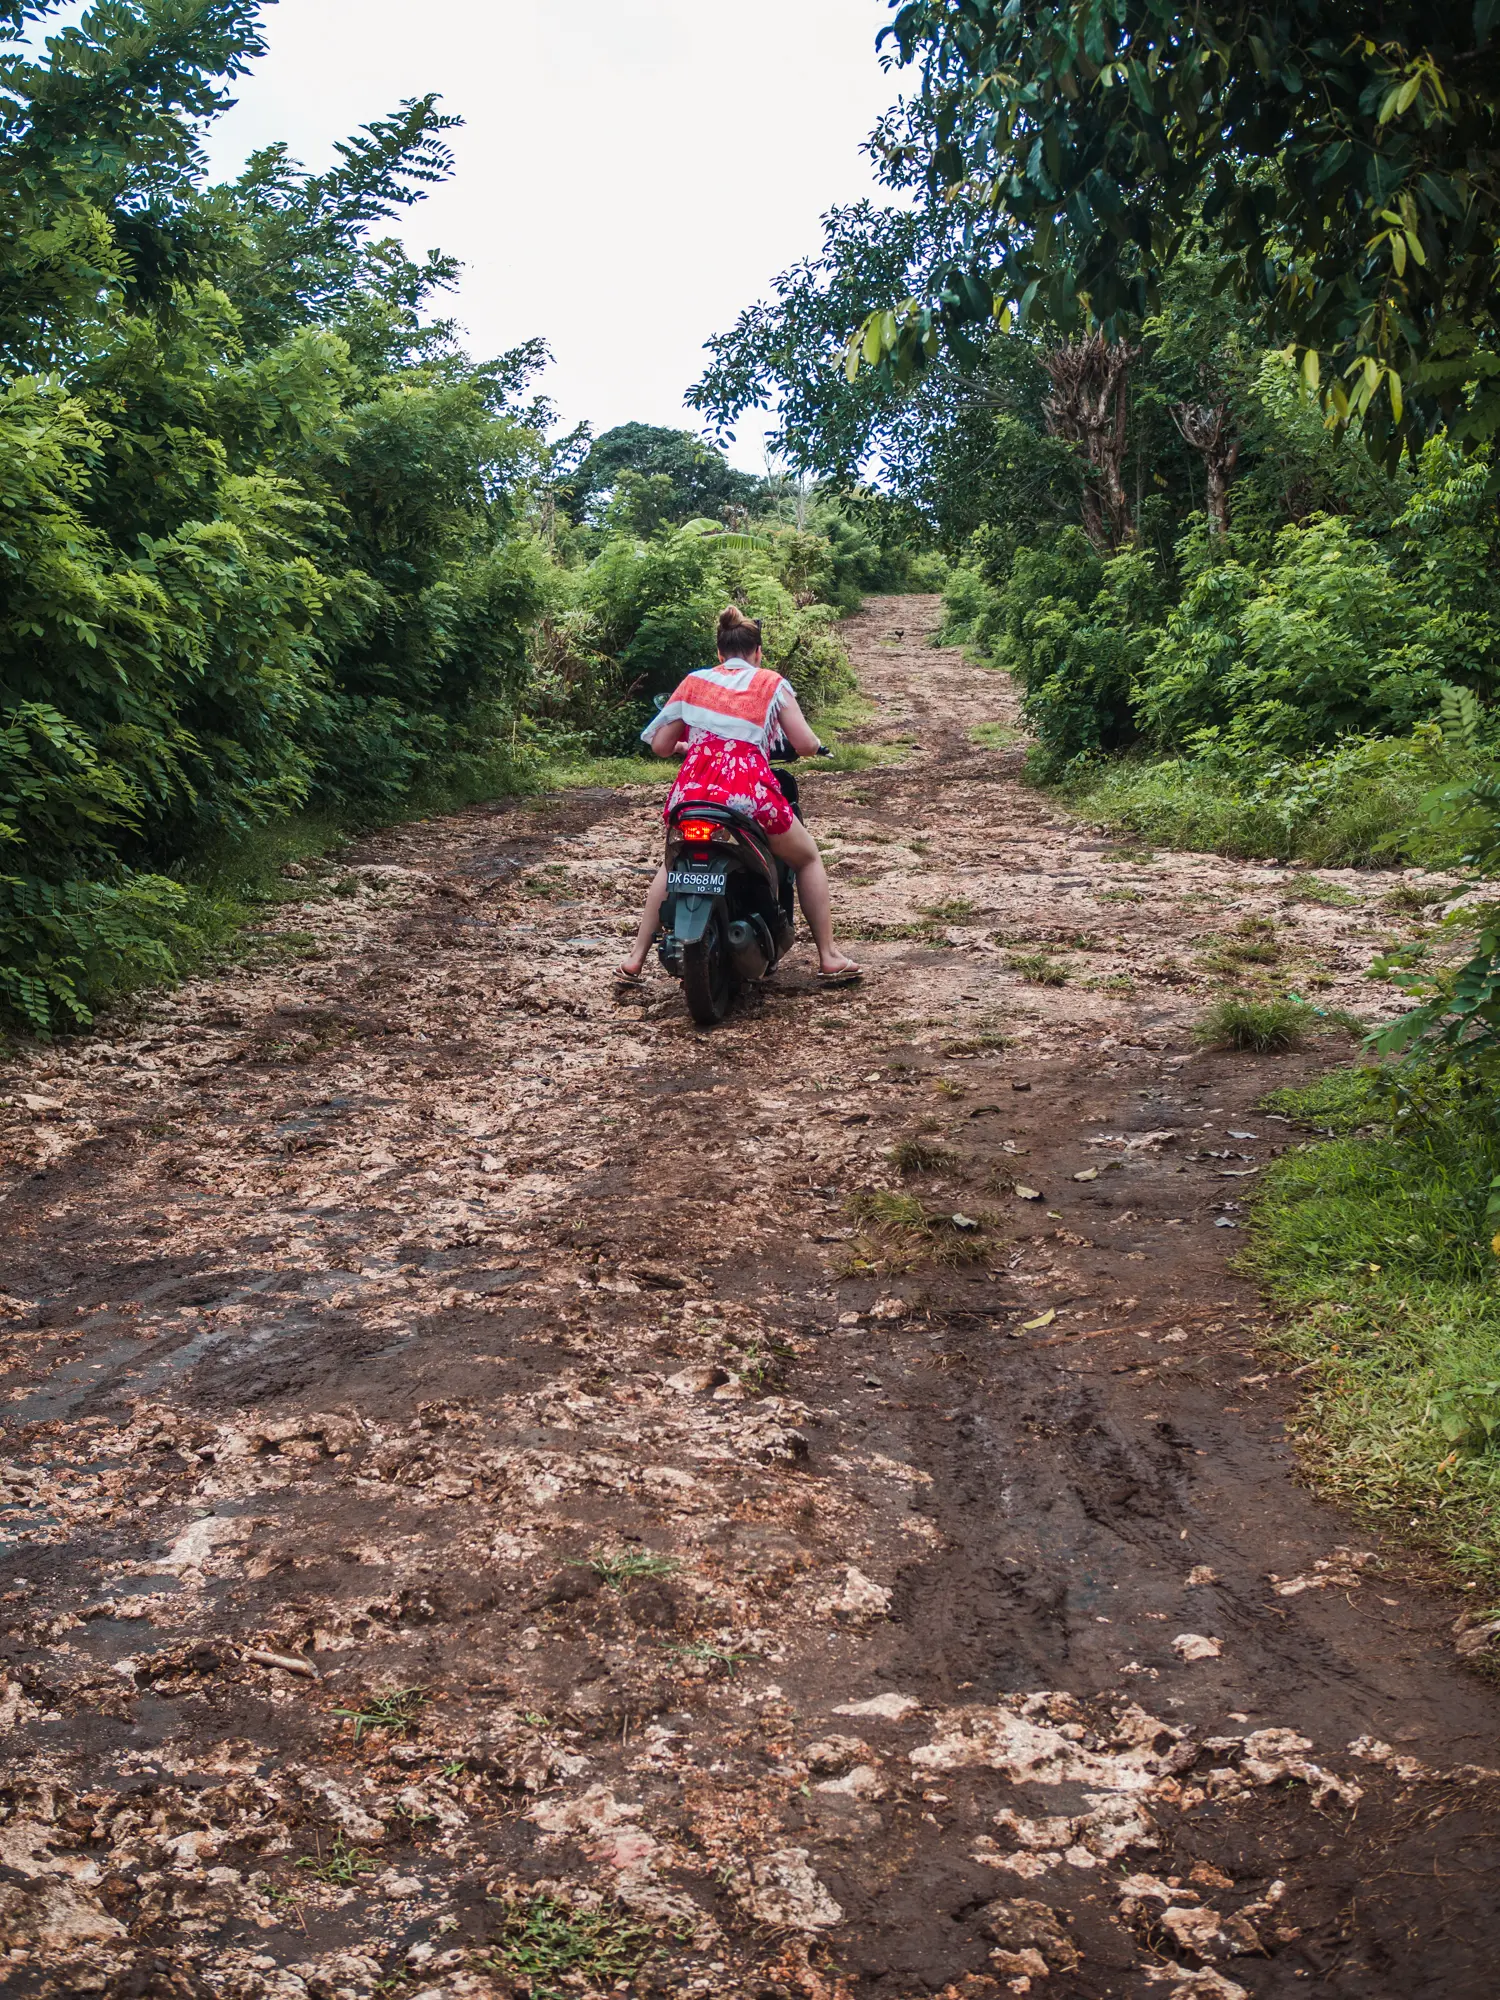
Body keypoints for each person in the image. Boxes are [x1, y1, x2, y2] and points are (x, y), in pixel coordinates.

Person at [617, 605, 862, 985]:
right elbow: (803, 742)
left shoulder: (694, 682)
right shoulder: (770, 683)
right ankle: (828, 957)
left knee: (670, 866)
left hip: (693, 792)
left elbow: (662, 746)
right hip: (747, 791)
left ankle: (634, 959)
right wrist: (816, 748)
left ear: (719, 652)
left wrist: (690, 747)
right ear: (757, 652)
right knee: (808, 858)